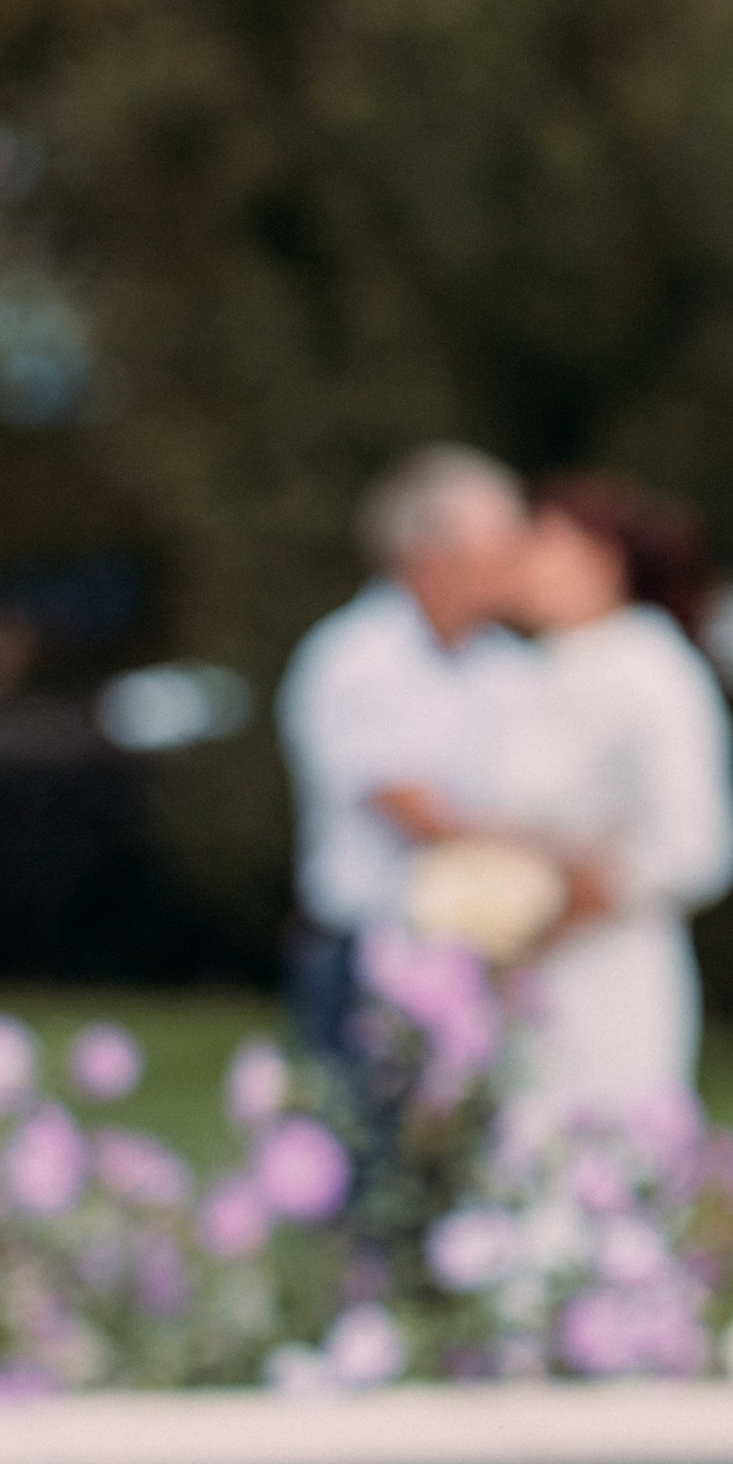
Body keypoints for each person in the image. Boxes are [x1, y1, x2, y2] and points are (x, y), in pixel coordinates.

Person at [488, 473, 733, 1121]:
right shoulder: (528, 670)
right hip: (518, 977)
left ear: (602, 560)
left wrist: (578, 896)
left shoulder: (655, 670)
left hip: (612, 972)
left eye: (543, 543)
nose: (523, 561)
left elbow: (700, 844)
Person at [275, 446, 532, 1062]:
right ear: (431, 558)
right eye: (501, 543)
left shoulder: (508, 665)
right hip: (364, 953)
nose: (518, 560)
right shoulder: (353, 658)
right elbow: (414, 811)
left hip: (481, 956)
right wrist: (550, 849)